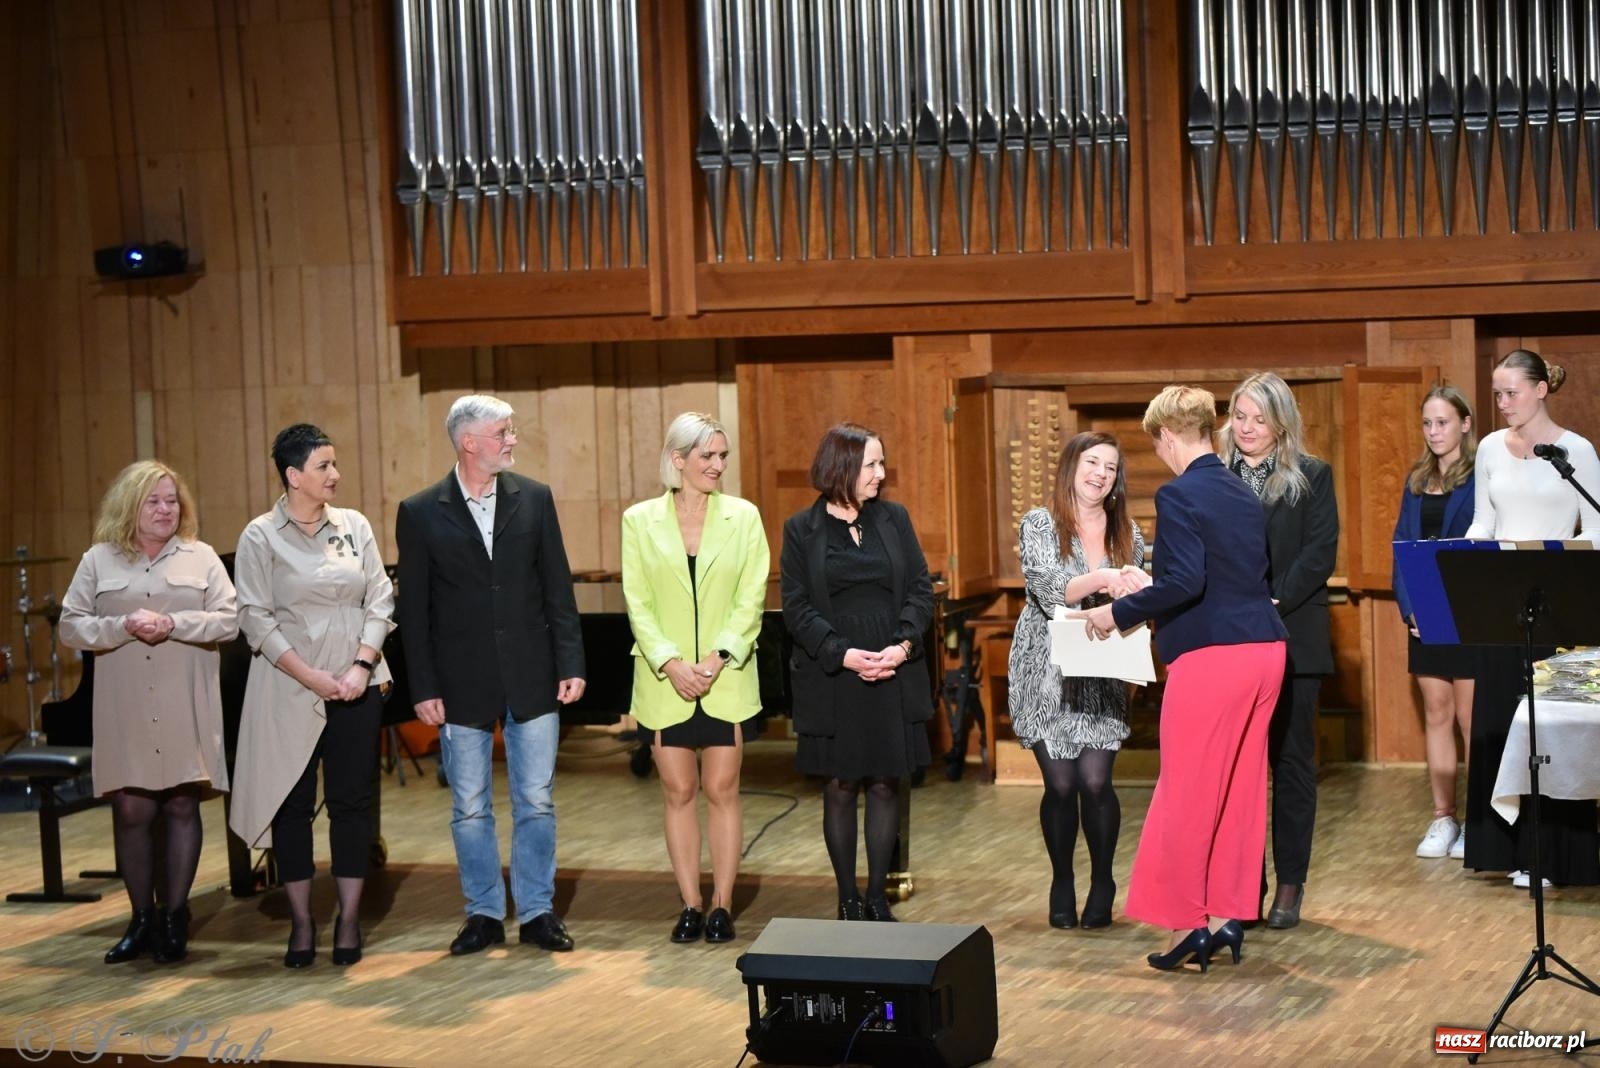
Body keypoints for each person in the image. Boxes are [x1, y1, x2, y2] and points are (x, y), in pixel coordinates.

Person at [1080, 385, 1287, 974]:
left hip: (1215, 656)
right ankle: (1225, 917)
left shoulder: (1179, 494)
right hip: (1265, 649)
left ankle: (1184, 924)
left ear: (1168, 437)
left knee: (1188, 792)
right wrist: (1148, 583)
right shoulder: (1241, 492)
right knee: (1240, 790)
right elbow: (1226, 574)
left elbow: (1184, 584)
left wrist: (1113, 612)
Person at [396, 394, 587, 955]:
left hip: (532, 674)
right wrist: (423, 687)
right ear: (469, 443)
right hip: (459, 684)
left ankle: (536, 911)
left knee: (537, 800)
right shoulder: (421, 511)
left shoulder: (535, 498)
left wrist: (571, 662)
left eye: (512, 430)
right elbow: (416, 613)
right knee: (470, 804)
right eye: (503, 432)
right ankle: (482, 912)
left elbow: (558, 588)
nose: (513, 439)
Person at [60, 460, 238, 965]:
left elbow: (231, 619)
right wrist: (121, 627)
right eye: (153, 501)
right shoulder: (98, 561)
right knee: (132, 808)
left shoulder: (201, 557)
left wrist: (173, 622)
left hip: (186, 702)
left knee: (183, 802)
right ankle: (140, 919)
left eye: (171, 500)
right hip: (127, 707)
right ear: (130, 508)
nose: (165, 509)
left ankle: (174, 915)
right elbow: (71, 627)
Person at [230, 424, 394, 968]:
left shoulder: (354, 525)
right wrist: (313, 677)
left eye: (334, 464)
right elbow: (254, 617)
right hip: (287, 689)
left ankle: (348, 918)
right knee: (292, 806)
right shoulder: (260, 536)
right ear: (293, 475)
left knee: (351, 805)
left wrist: (359, 667)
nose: (335, 475)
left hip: (356, 685)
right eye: (324, 466)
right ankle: (302, 923)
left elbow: (380, 597)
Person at [621, 413, 770, 944]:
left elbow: (751, 596)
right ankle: (689, 903)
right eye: (707, 456)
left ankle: (723, 906)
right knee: (678, 788)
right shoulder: (639, 520)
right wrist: (670, 662)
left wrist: (718, 657)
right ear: (677, 458)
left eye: (723, 456)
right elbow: (637, 602)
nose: (717, 465)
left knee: (721, 787)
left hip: (725, 675)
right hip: (666, 680)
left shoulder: (744, 517)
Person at [781, 423, 933, 922]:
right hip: (835, 673)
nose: (881, 474)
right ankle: (847, 898)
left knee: (888, 782)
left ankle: (876, 897)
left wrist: (903, 645)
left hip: (892, 666)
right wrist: (841, 653)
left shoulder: (894, 518)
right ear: (841, 467)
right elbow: (796, 606)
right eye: (871, 465)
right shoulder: (801, 529)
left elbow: (919, 589)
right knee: (841, 784)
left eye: (881, 464)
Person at [1462, 349, 1600, 888]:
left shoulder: (1576, 451)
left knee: (1550, 731)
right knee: (1500, 721)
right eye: (1497, 394)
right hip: (1500, 606)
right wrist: (1461, 574)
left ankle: (1551, 856)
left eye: (1511, 392)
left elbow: (1593, 529)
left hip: (1559, 610)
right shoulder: (1491, 448)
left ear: (1541, 390)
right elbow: (1482, 522)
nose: (1502, 403)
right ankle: (1507, 851)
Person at [1008, 432, 1147, 929]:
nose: (1100, 474)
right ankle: (1062, 876)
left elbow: (1139, 605)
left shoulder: (1129, 532)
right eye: (1092, 462)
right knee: (1061, 785)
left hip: (1103, 667)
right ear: (1072, 465)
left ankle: (1104, 879)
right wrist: (1106, 580)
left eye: (1110, 468)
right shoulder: (1040, 523)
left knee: (1095, 781)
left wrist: (1138, 589)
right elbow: (1049, 592)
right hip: (1045, 669)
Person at [1217, 371, 1338, 930]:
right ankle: (1243, 888)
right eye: (1239, 416)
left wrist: (1269, 600)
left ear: (1281, 423)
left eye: (1258, 419)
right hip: (1228, 643)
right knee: (1239, 771)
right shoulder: (1214, 477)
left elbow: (1319, 556)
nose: (1245, 428)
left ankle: (1289, 885)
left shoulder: (1312, 476)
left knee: (1290, 766)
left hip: (1293, 639)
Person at [1392, 385, 1477, 860]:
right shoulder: (1416, 478)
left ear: (1465, 424)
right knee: (1437, 713)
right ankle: (1444, 818)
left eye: (1443, 422)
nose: (1434, 432)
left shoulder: (1482, 476)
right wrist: (1411, 608)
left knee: (1470, 717)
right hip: (1424, 614)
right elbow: (1401, 547)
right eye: (1427, 423)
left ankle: (1479, 822)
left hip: (1467, 612)